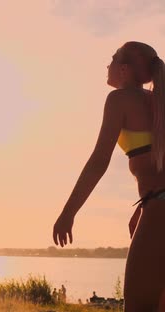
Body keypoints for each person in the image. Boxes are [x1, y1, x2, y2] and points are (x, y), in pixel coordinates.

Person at [53, 41, 165, 311]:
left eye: (112, 59)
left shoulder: (119, 100)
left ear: (124, 69)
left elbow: (98, 162)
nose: (107, 65)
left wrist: (68, 212)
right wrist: (146, 205)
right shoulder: (159, 101)